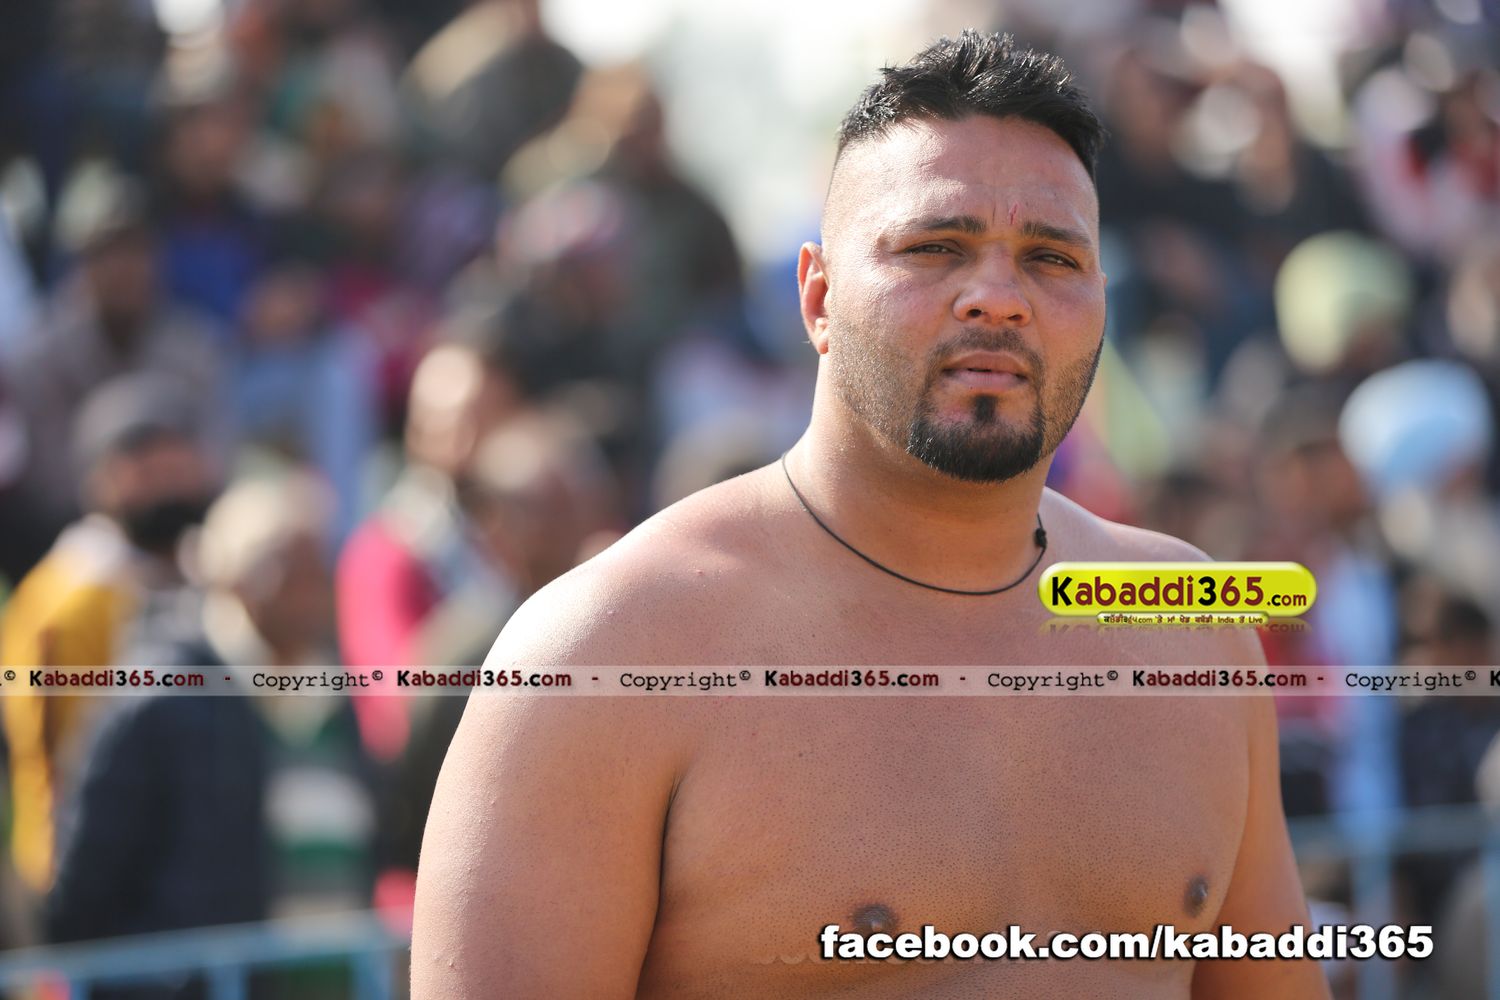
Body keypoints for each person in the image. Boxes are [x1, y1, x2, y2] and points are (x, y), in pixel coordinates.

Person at [413, 32, 1327, 999]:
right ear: (817, 296)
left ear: (1102, 301)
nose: (998, 298)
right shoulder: (609, 654)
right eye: (936, 248)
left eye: (1052, 258)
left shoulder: (1191, 627)